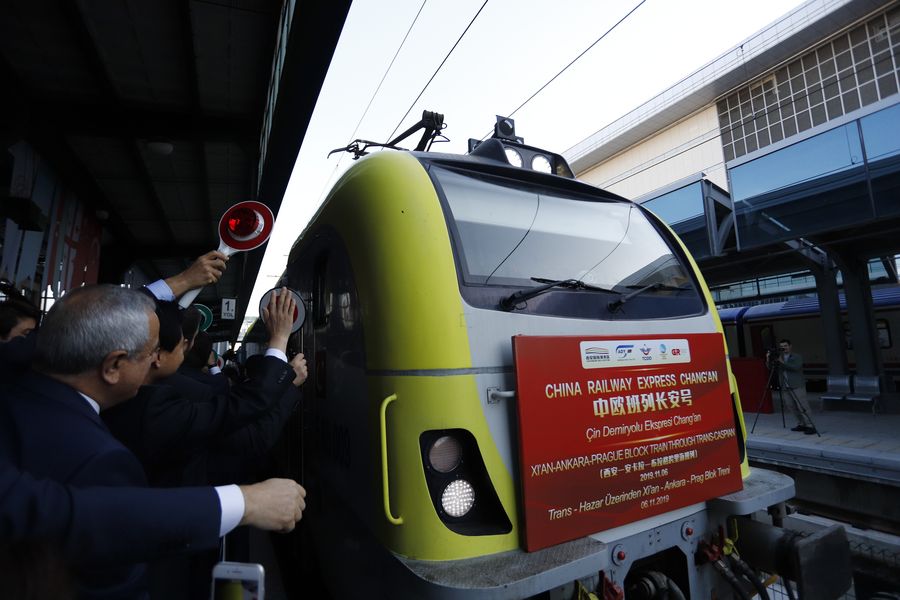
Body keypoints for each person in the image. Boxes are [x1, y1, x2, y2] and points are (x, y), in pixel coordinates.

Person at [0, 285, 306, 599]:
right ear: (113, 366)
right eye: (150, 353)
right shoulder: (99, 459)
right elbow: (109, 542)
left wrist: (186, 280)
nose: (156, 361)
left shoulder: (15, 390)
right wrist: (244, 503)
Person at [774, 338, 816, 434]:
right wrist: (769, 359)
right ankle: (801, 424)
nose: (784, 348)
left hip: (797, 385)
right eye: (781, 347)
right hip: (785, 386)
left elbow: (795, 367)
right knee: (791, 406)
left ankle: (810, 425)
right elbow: (771, 368)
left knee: (803, 406)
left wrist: (781, 362)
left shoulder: (796, 356)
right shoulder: (780, 357)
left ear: (790, 346)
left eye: (785, 346)